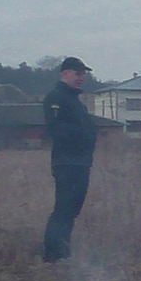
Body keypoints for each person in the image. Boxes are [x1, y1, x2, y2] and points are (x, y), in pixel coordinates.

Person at [42, 56, 98, 262]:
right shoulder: (56, 98)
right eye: (77, 73)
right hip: (67, 162)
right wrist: (82, 136)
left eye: (83, 74)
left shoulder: (74, 100)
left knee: (72, 210)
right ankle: (53, 256)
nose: (81, 78)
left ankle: (63, 252)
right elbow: (57, 129)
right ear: (64, 74)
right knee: (63, 209)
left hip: (81, 162)